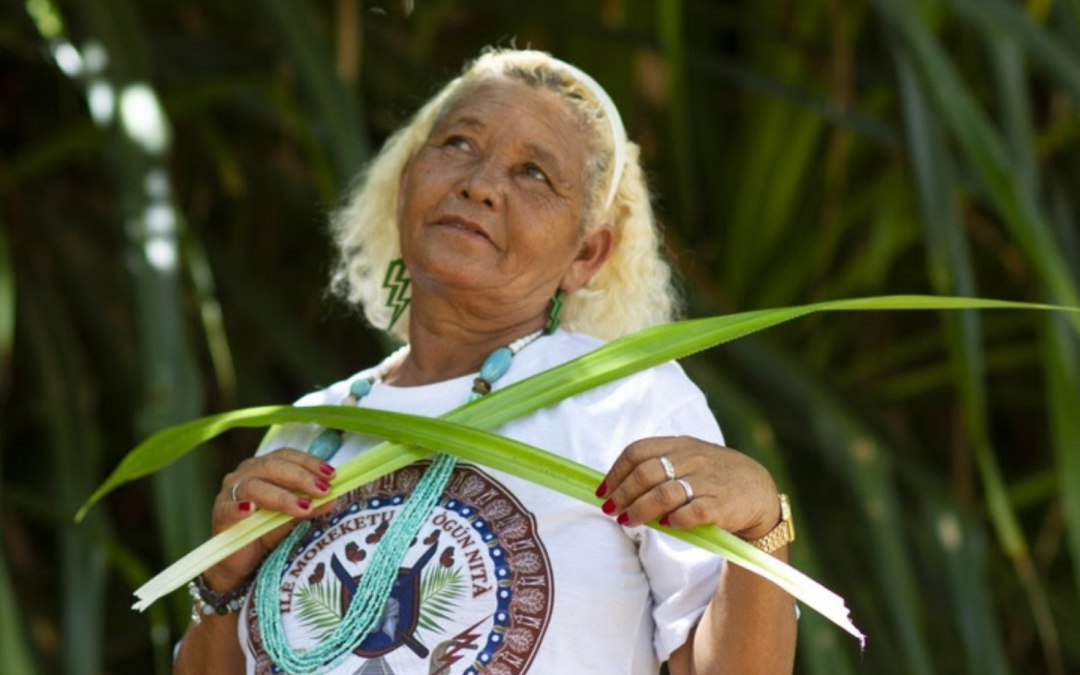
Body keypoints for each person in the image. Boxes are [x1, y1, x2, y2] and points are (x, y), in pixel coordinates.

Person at [174, 48, 797, 675]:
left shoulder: (624, 399)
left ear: (586, 255)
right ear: (406, 185)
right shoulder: (314, 425)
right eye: (458, 144)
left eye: (533, 173)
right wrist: (221, 582)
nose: (480, 183)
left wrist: (761, 527)